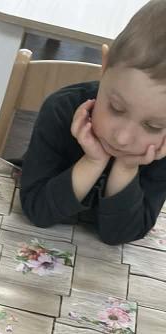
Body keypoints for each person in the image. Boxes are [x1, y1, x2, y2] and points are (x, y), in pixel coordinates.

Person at [20, 0, 166, 245]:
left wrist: (126, 167)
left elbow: (119, 235)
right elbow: (37, 210)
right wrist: (93, 161)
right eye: (116, 108)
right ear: (105, 65)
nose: (122, 138)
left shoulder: (162, 149)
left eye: (153, 126)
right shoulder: (61, 110)